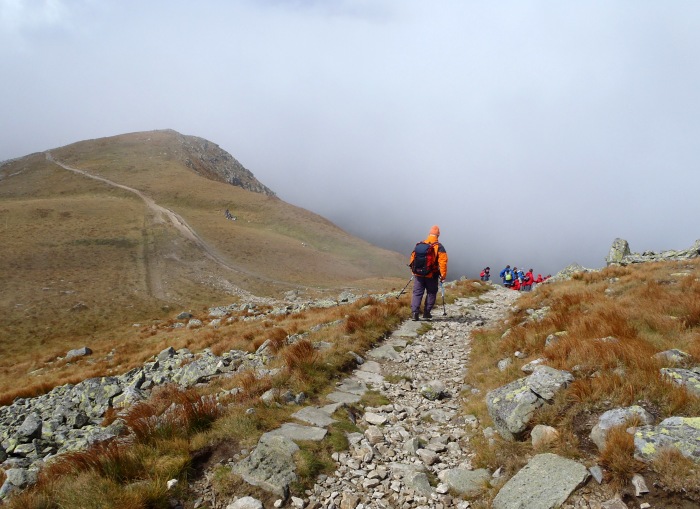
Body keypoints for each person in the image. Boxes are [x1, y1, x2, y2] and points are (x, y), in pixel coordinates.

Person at [409, 225, 448, 321]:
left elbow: (413, 257)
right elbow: (443, 262)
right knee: (431, 292)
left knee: (417, 293)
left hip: (418, 274)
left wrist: (413, 271)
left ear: (429, 233)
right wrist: (443, 275)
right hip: (432, 274)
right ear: (438, 235)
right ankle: (426, 313)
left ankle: (415, 314)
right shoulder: (439, 246)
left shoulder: (420, 244)